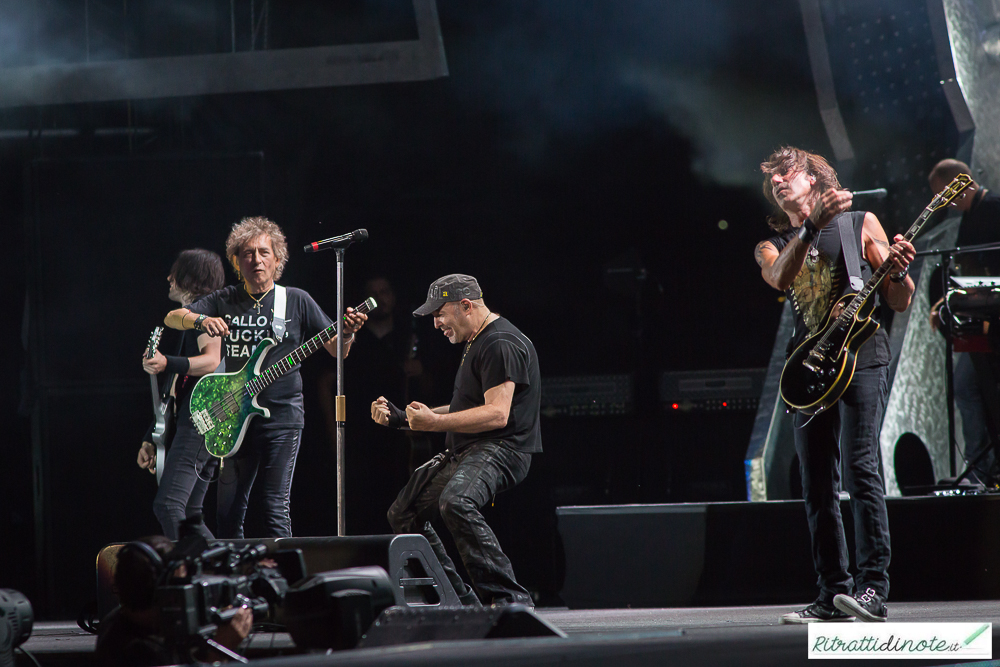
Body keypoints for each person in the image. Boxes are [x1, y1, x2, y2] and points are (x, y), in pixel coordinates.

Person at [754, 147, 915, 623]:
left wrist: (900, 271)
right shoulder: (773, 243)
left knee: (862, 468)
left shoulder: (861, 222)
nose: (780, 181)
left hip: (862, 354)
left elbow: (900, 299)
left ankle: (872, 590)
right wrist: (807, 229)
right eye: (773, 178)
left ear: (814, 178)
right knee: (817, 483)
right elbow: (778, 278)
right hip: (808, 369)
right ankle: (831, 595)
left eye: (789, 173)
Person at [164, 217, 367, 538]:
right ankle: (233, 583)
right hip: (233, 415)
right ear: (235, 261)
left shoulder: (296, 300)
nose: (255, 260)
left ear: (277, 260)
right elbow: (173, 316)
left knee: (275, 508)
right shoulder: (224, 299)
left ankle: (282, 583)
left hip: (282, 419)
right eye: (247, 253)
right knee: (229, 513)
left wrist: (349, 334)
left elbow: (337, 351)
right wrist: (201, 321)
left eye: (263, 253)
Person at [371, 274, 540, 607]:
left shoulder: (500, 343)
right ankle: (460, 601)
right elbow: (468, 408)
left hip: (503, 449)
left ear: (466, 306)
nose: (436, 323)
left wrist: (434, 423)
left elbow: (497, 415)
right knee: (404, 513)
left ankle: (509, 600)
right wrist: (404, 418)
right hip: (473, 448)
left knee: (456, 502)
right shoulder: (478, 341)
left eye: (440, 314)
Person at [138, 249, 225, 540]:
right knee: (189, 513)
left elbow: (211, 361)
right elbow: (177, 385)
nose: (168, 278)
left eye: (175, 272)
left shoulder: (203, 312)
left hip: (203, 418)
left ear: (190, 277)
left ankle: (192, 573)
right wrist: (153, 436)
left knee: (168, 504)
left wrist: (166, 362)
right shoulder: (191, 318)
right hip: (202, 417)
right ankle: (220, 573)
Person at [928, 159, 1000, 485]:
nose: (939, 201)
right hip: (984, 321)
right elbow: (971, 271)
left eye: (940, 193)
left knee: (972, 387)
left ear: (953, 186)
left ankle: (984, 469)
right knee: (969, 387)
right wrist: (946, 300)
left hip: (994, 322)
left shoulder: (994, 208)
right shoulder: (969, 219)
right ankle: (983, 469)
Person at [94, 535, 252, 666]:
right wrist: (218, 650)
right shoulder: (142, 651)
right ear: (164, 591)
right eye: (182, 584)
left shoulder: (120, 621)